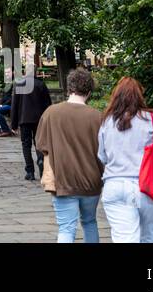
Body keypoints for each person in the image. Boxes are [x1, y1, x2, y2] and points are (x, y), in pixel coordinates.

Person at [97, 77, 153, 243]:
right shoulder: (151, 120)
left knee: (124, 239)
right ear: (140, 96)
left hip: (115, 186)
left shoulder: (106, 122)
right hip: (147, 188)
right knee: (152, 236)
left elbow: (102, 156)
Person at [35, 68, 104, 243]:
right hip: (92, 181)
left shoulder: (51, 113)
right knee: (90, 222)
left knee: (66, 228)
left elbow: (41, 145)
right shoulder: (97, 117)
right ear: (89, 92)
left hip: (63, 180)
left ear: (69, 89)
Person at [11, 70, 54, 181]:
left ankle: (29, 171)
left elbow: (14, 105)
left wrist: (14, 124)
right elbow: (48, 104)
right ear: (35, 73)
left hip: (24, 119)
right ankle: (41, 162)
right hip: (39, 120)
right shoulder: (40, 84)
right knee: (39, 143)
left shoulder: (19, 84)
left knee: (26, 145)